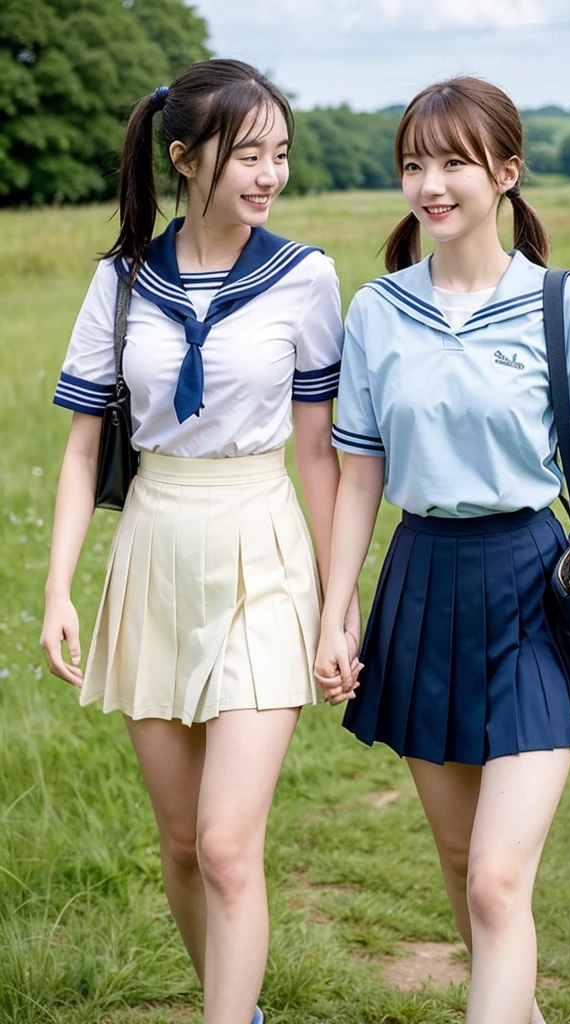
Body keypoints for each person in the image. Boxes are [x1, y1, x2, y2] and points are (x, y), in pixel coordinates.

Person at [314, 76, 570, 1024]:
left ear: (507, 173)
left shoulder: (564, 307)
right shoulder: (376, 313)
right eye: (413, 164)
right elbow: (358, 480)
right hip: (422, 584)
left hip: (533, 590)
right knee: (457, 860)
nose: (430, 184)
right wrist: (335, 610)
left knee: (494, 882)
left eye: (454, 163)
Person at [40, 58, 359, 1024]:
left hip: (263, 547)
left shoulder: (306, 279)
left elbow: (318, 457)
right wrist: (59, 590)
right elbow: (83, 443)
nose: (269, 175)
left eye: (281, 155)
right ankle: (242, 1007)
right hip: (155, 548)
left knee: (227, 844)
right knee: (180, 843)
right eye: (246, 154)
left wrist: (338, 608)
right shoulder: (123, 282)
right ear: (183, 157)